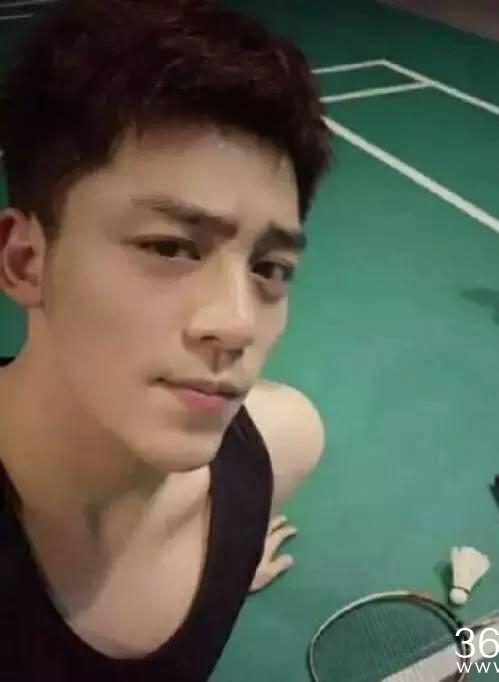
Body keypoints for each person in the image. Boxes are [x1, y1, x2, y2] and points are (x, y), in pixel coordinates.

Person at [0, 0, 331, 679]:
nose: (237, 324)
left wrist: (230, 562)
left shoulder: (281, 450)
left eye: (270, 268)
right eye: (170, 247)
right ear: (25, 262)